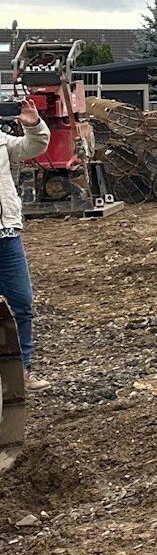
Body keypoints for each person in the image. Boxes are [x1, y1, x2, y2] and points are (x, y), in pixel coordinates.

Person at [0, 98, 49, 391]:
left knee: (22, 303)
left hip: (6, 235)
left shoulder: (1, 141)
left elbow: (33, 147)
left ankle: (24, 370)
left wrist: (34, 125)